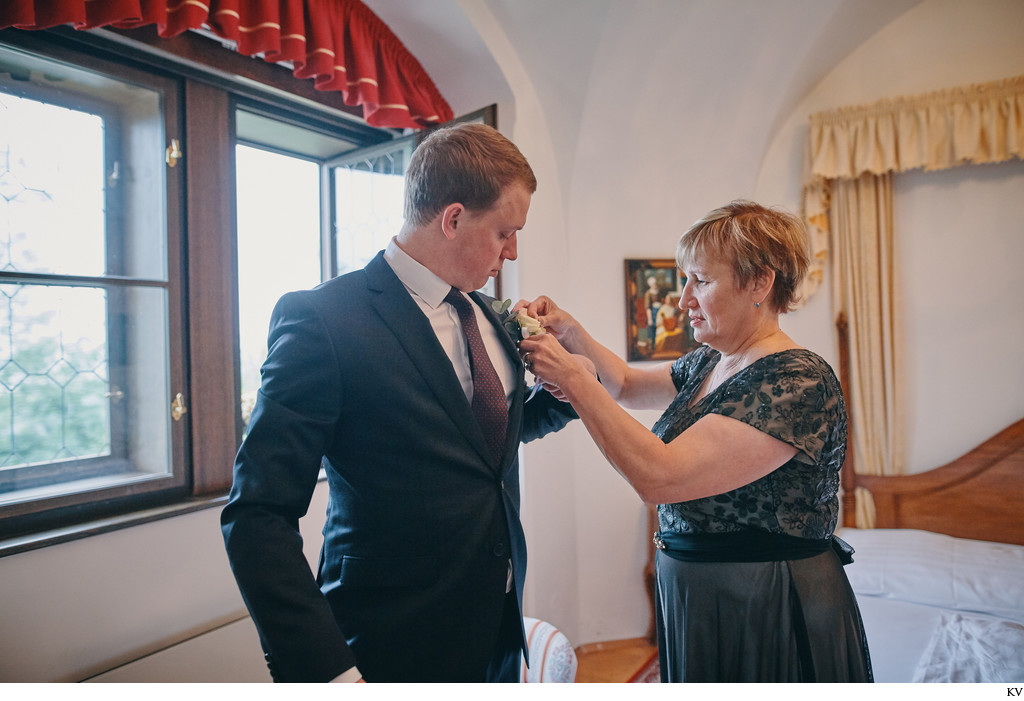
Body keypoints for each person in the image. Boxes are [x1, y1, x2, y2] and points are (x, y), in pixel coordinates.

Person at [221, 122, 582, 683]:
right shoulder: (325, 321)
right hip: (386, 640)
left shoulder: (487, 313)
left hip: (495, 627)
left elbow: (481, 442)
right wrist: (328, 671)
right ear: (454, 218)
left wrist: (571, 389)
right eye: (505, 232)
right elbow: (257, 513)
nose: (513, 251)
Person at [518, 200, 873, 682]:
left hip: (761, 600)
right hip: (700, 595)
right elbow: (623, 382)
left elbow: (660, 477)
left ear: (760, 283)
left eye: (700, 281)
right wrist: (571, 331)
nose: (683, 299)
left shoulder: (796, 381)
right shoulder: (711, 361)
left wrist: (575, 381)